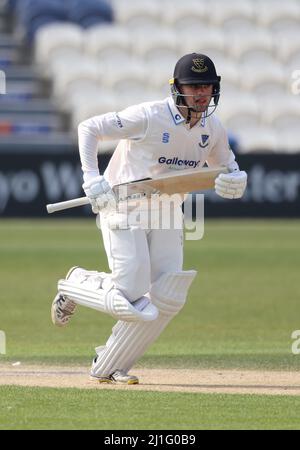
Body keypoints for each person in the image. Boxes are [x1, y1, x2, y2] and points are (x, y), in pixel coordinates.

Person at [51, 53, 247, 385]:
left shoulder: (212, 129)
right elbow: (89, 128)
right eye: (194, 86)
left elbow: (227, 166)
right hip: (124, 206)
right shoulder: (149, 116)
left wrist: (237, 179)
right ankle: (75, 284)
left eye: (207, 86)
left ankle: (111, 363)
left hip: (169, 210)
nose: (201, 94)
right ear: (177, 88)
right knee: (129, 293)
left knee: (168, 294)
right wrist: (91, 177)